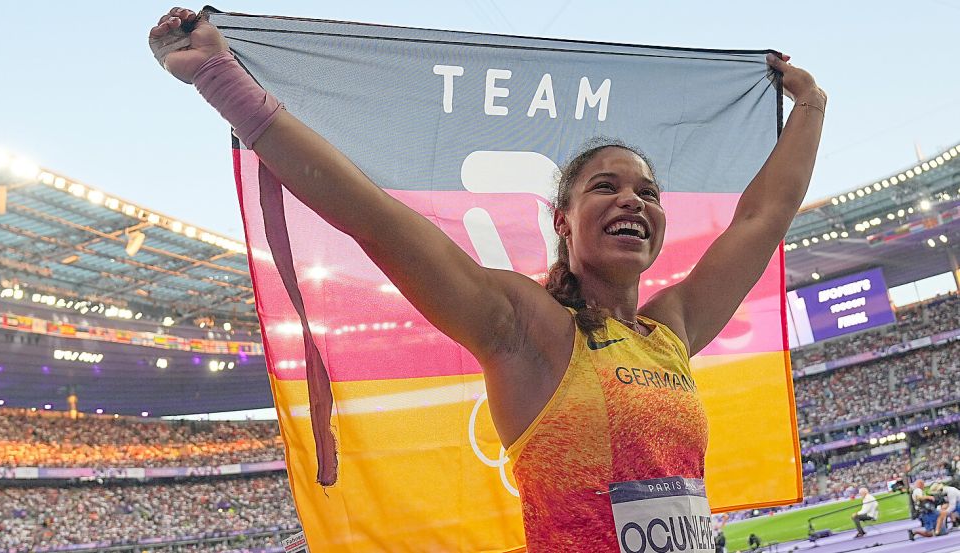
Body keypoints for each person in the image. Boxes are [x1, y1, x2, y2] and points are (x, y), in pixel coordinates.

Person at [149, 8, 825, 551]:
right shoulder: (522, 327)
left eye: (647, 191)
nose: (632, 200)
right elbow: (374, 218)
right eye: (606, 187)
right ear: (562, 219)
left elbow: (763, 217)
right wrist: (219, 78)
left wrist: (811, 106)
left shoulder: (669, 330)